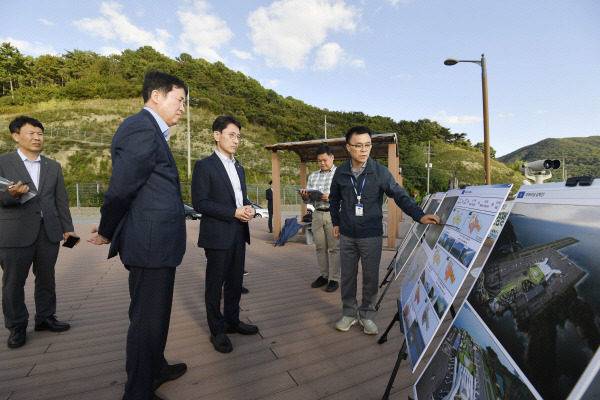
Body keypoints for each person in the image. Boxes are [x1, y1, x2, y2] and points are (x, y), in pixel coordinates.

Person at [88, 71, 188, 400]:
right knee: (147, 319)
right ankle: (138, 392)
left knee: (155, 316)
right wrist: (106, 229)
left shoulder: (152, 132)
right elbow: (121, 190)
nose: (183, 108)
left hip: (156, 243)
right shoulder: (140, 128)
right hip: (150, 245)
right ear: (156, 96)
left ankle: (155, 368)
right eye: (180, 100)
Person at [329, 126, 439, 335]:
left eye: (367, 145)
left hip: (370, 234)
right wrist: (336, 222)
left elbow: (399, 195)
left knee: (371, 277)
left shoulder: (379, 171)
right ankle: (349, 313)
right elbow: (334, 200)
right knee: (348, 276)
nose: (364, 150)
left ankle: (368, 315)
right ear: (348, 147)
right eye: (358, 145)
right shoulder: (341, 173)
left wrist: (419, 215)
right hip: (346, 234)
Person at [0, 116, 78, 349]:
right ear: (16, 136)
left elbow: (60, 201)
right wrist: (10, 195)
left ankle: (45, 318)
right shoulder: (3, 162)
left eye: (40, 134)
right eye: (31, 133)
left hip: (49, 232)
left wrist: (68, 230)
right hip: (14, 233)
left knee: (46, 278)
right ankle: (16, 326)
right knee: (13, 282)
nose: (37, 138)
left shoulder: (53, 166)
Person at [191, 115, 259, 354]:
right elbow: (199, 202)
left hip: (239, 232)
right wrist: (233, 212)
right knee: (214, 284)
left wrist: (249, 207)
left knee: (235, 282)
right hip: (218, 235)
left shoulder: (238, 167)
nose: (236, 140)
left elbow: (240, 198)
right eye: (231, 135)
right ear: (216, 135)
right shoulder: (204, 166)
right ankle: (217, 330)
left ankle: (232, 321)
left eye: (238, 136)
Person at [299, 145, 340, 293]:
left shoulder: (340, 174)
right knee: (320, 247)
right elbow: (308, 201)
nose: (322, 163)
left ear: (332, 157)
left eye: (324, 160)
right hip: (317, 213)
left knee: (334, 248)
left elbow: (347, 197)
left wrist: (332, 197)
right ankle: (323, 276)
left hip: (333, 214)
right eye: (319, 161)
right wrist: (305, 197)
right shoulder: (313, 176)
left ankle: (334, 279)